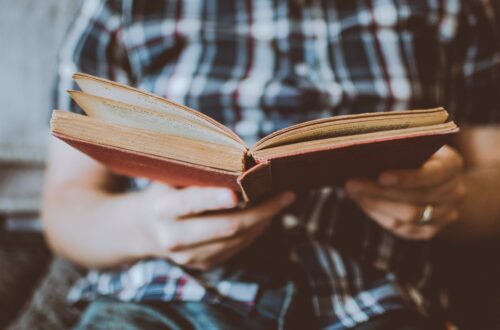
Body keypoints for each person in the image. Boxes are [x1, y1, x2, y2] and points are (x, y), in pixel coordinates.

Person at [38, 0, 499, 329]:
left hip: (377, 299)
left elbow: (492, 179)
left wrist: (448, 199)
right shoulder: (120, 8)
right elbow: (64, 207)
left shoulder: (458, 8)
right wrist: (149, 227)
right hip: (163, 296)